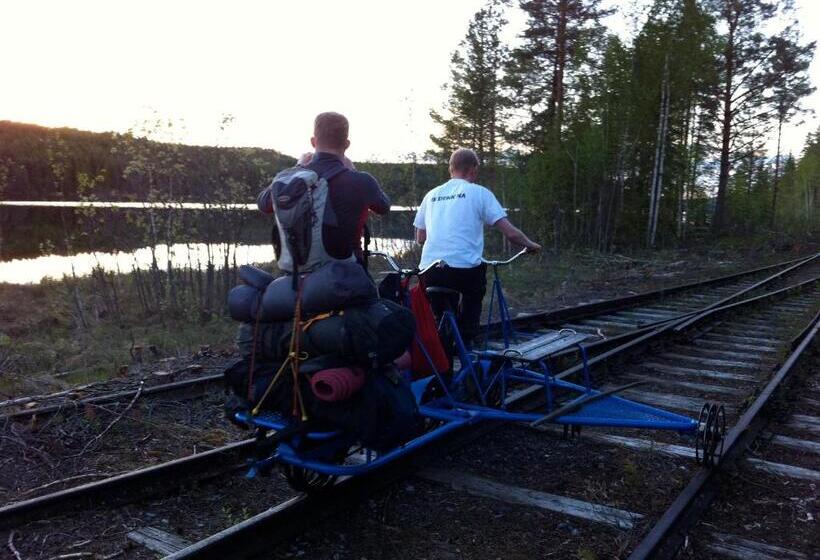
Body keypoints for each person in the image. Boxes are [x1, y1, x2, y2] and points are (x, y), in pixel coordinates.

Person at [413, 148, 541, 344]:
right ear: (473, 170)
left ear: (451, 169)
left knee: (440, 316)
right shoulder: (479, 193)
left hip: (429, 270)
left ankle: (443, 353)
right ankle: (467, 340)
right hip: (463, 271)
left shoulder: (431, 195)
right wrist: (531, 245)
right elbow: (511, 234)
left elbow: (420, 237)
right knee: (473, 294)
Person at [258, 111, 390, 266]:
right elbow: (383, 207)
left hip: (300, 274)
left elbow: (263, 203)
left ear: (313, 142)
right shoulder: (362, 181)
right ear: (347, 144)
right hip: (348, 271)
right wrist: (353, 171)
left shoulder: (293, 180)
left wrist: (297, 168)